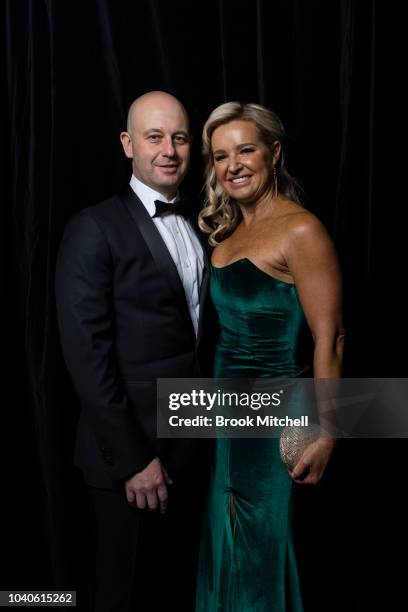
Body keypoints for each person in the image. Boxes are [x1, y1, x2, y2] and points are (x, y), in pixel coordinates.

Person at [55, 91, 215, 612]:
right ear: (128, 145)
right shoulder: (93, 227)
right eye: (154, 137)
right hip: (128, 460)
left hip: (191, 445)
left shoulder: (202, 223)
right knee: (122, 595)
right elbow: (88, 359)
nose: (169, 150)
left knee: (174, 590)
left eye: (180, 138)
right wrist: (133, 461)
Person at [195, 102, 345, 611]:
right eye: (220, 156)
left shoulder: (301, 229)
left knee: (266, 547)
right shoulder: (227, 231)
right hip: (225, 418)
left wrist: (327, 432)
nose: (233, 164)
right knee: (228, 542)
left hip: (280, 415)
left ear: (274, 152)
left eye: (246, 150)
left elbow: (332, 337)